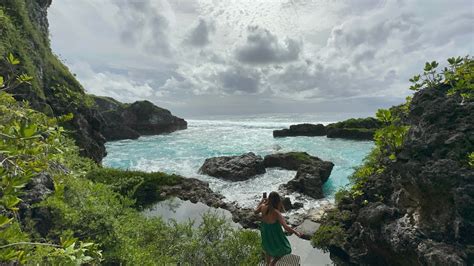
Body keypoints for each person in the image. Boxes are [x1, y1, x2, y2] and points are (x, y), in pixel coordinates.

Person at [255, 191, 302, 266]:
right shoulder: (276, 213)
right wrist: (296, 232)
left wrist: (262, 201)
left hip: (265, 230)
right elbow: (286, 227)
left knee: (268, 247)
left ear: (269, 199)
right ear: (277, 201)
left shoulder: (263, 206)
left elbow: (255, 211)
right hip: (275, 233)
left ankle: (268, 264)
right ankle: (272, 264)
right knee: (284, 249)